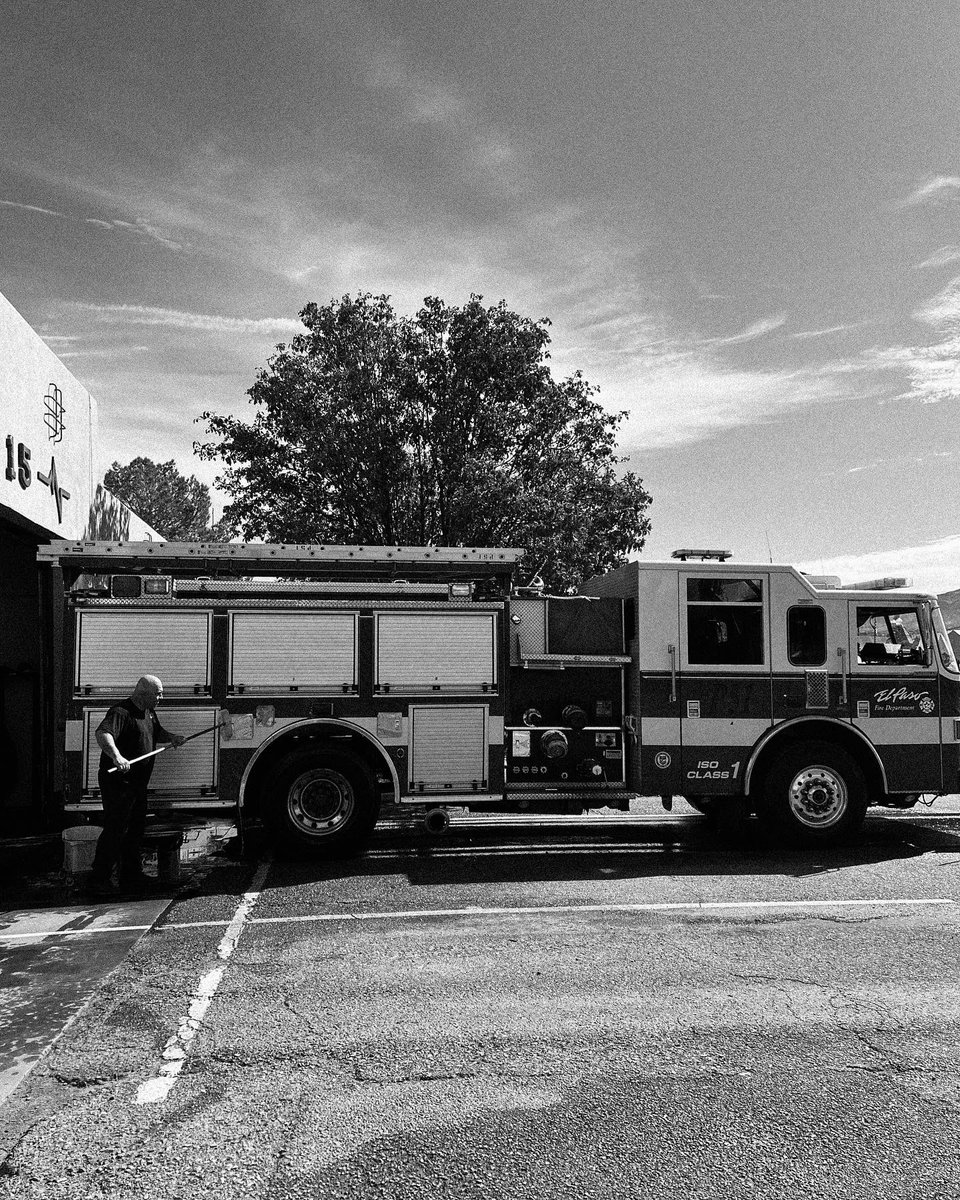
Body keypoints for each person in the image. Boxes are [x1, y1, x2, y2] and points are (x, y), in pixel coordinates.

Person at [88, 675, 184, 897]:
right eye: (158, 693)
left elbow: (156, 732)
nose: (161, 697)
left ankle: (131, 876)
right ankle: (98, 879)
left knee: (135, 829)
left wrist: (172, 738)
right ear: (143, 693)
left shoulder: (149, 711)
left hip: (137, 784)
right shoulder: (122, 712)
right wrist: (116, 756)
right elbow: (103, 733)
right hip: (119, 783)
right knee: (116, 829)